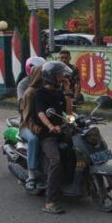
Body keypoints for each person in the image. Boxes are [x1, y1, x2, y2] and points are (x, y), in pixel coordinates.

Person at [33, 61, 72, 214]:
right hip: (47, 134)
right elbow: (41, 113)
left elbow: (68, 113)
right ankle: (50, 202)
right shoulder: (40, 93)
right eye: (60, 75)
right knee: (55, 161)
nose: (63, 77)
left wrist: (68, 92)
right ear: (52, 76)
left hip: (61, 130)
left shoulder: (58, 93)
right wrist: (50, 126)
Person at [19, 65, 45, 192]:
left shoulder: (48, 91)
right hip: (27, 127)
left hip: (43, 125)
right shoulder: (29, 93)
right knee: (34, 140)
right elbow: (27, 117)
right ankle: (31, 176)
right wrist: (36, 128)